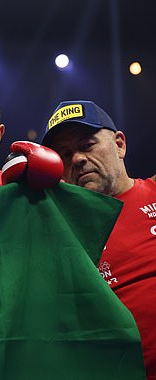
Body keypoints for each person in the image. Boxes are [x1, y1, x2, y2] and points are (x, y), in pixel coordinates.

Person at [41, 100, 156, 379]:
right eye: (64, 154)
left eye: (87, 145)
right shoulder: (57, 232)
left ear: (120, 144)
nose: (77, 159)